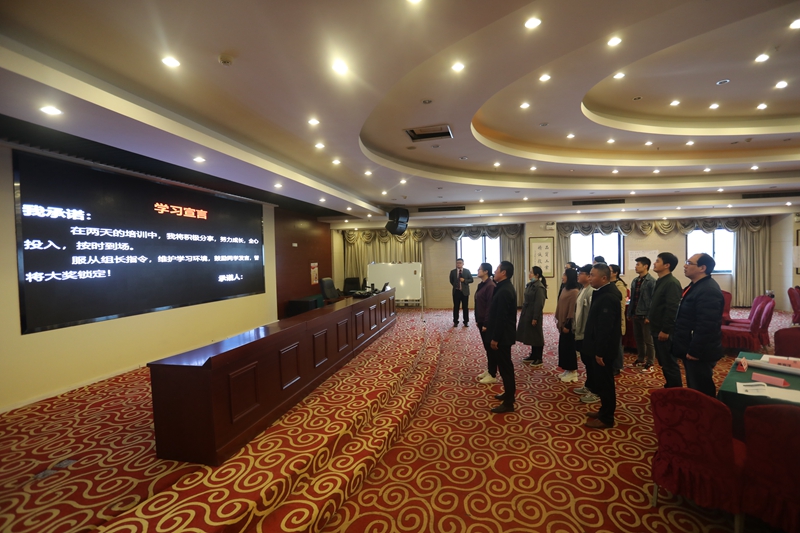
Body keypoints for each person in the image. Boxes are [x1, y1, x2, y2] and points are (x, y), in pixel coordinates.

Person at [672, 253, 725, 397]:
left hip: (700, 351)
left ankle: (707, 410)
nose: (685, 265)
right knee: (694, 384)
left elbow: (707, 325)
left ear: (702, 268)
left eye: (689, 263)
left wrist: (695, 351)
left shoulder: (708, 290)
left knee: (701, 387)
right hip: (690, 345)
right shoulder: (696, 285)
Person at [582, 263, 622, 429]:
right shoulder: (602, 292)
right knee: (602, 382)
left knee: (606, 384)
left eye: (592, 275)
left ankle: (607, 418)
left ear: (604, 278)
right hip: (598, 347)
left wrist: (599, 352)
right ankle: (604, 410)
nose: (589, 278)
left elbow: (605, 328)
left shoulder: (608, 297)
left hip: (604, 350)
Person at [648, 252, 683, 388]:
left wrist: (666, 330)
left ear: (667, 265)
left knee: (669, 362)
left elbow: (672, 309)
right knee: (664, 361)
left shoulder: (672, 283)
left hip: (664, 330)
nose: (654, 263)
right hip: (656, 327)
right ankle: (670, 386)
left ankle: (676, 390)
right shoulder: (661, 281)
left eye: (657, 261)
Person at [487, 261, 518, 413]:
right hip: (503, 335)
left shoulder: (505, 290)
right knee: (505, 367)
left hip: (503, 336)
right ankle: (508, 394)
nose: (495, 271)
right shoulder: (503, 287)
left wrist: (495, 339)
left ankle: (509, 403)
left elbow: (502, 318)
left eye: (497, 269)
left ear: (504, 272)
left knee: (506, 368)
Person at [572, 264, 598, 404]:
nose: (578, 275)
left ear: (588, 276)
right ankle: (589, 385)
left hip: (587, 333)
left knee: (591, 362)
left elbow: (590, 316)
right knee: (586, 361)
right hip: (580, 331)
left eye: (581, 273)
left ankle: (595, 390)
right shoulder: (583, 289)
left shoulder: (591, 292)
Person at [627, 257, 656, 372]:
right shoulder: (635, 280)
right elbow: (633, 299)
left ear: (645, 266)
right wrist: (630, 313)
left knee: (648, 340)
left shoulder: (651, 281)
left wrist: (649, 316)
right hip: (636, 314)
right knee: (638, 339)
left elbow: (653, 300)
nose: (636, 267)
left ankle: (650, 362)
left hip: (645, 315)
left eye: (638, 264)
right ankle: (640, 359)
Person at [517, 266, 548, 366]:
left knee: (537, 335)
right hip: (527, 312)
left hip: (534, 313)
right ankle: (533, 355)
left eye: (531, 272)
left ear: (537, 275)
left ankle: (539, 357)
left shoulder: (539, 287)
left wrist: (535, 317)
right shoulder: (530, 285)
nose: (529, 274)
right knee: (531, 334)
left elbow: (539, 304)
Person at [555, 269, 580, 382]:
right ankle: (567, 369)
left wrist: (568, 325)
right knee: (563, 348)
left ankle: (573, 372)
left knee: (569, 348)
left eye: (564, 275)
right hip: (562, 323)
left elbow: (572, 311)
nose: (562, 277)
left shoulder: (574, 292)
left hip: (568, 325)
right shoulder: (565, 289)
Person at [474, 263, 497, 384]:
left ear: (486, 271)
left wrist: (486, 323)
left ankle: (493, 374)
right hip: (481, 319)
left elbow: (490, 306)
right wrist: (478, 319)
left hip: (487, 322)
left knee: (490, 348)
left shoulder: (490, 286)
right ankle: (489, 370)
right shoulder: (481, 284)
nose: (478, 271)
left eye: (480, 269)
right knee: (487, 348)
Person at [609, 264, 627, 375]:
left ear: (615, 273)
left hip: (617, 318)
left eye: (610, 271)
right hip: (608, 317)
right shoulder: (608, 284)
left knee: (617, 343)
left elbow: (621, 305)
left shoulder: (619, 285)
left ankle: (617, 366)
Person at [449, 258, 473, 328]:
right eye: (457, 263)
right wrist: (456, 286)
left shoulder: (467, 271)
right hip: (456, 292)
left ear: (463, 264)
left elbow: (471, 280)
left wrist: (464, 280)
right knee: (456, 307)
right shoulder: (453, 272)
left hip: (465, 292)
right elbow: (451, 281)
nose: (458, 264)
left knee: (465, 307)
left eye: (460, 263)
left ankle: (466, 322)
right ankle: (455, 322)